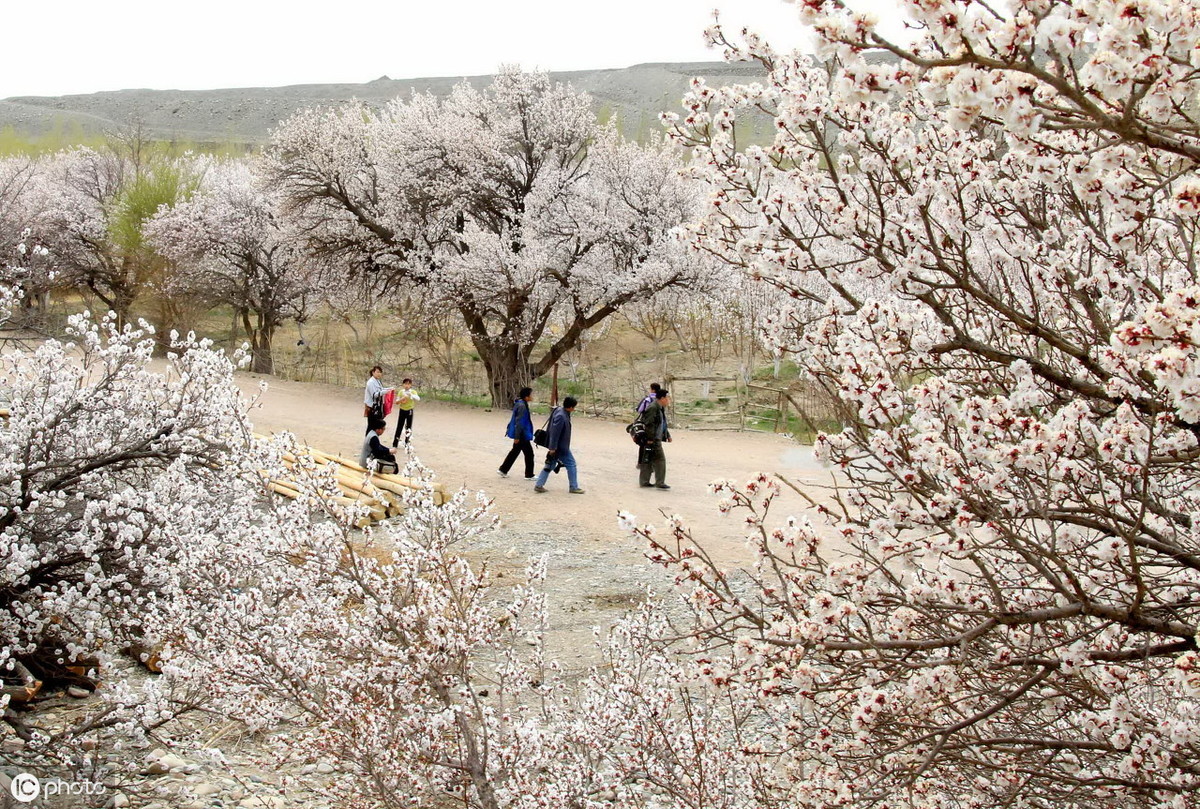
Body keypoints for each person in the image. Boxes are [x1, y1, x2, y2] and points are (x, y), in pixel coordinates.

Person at [533, 396, 583, 494]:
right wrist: (553, 447)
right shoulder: (561, 416)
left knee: (550, 465)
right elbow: (555, 433)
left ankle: (539, 485)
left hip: (557, 447)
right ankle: (573, 487)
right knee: (571, 464)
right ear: (571, 407)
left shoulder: (559, 411)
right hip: (560, 447)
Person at [638, 388, 672, 489]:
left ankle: (644, 481)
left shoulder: (659, 407)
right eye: (667, 398)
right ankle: (660, 482)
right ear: (662, 398)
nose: (668, 400)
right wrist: (650, 439)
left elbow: (662, 424)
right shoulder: (653, 407)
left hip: (655, 438)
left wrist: (667, 435)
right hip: (653, 439)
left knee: (648, 459)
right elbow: (649, 424)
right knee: (660, 460)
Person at [499, 386, 535, 479]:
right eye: (531, 394)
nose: (532, 396)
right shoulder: (522, 406)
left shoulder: (520, 403)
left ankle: (503, 469)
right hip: (521, 434)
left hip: (521, 434)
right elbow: (519, 422)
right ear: (526, 397)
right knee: (529, 454)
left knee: (515, 452)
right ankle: (529, 475)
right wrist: (517, 436)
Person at [391, 378, 420, 447]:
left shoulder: (413, 392)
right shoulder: (401, 392)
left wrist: (411, 395)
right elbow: (397, 402)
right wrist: (401, 399)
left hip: (409, 410)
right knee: (399, 426)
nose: (407, 385)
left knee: (409, 427)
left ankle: (407, 442)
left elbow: (418, 398)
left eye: (408, 384)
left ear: (411, 385)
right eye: (405, 384)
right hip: (402, 410)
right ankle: (395, 443)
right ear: (403, 384)